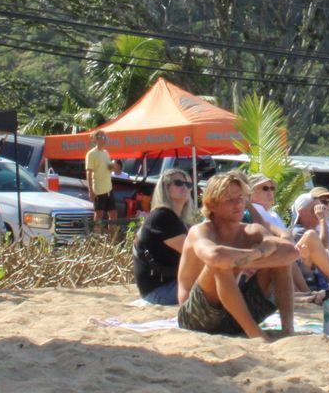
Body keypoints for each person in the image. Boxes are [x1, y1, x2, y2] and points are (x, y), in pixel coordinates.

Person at [175, 170, 298, 339]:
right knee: (220, 264)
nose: (238, 204)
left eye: (241, 198)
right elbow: (215, 256)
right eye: (230, 199)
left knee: (280, 262)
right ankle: (256, 334)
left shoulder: (251, 230)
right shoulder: (201, 231)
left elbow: (291, 252)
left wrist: (242, 262)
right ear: (212, 205)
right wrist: (258, 253)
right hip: (198, 317)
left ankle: (288, 329)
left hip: (237, 314)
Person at [133, 169, 198, 305]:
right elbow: (195, 253)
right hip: (160, 290)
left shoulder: (177, 219)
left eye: (189, 184)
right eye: (178, 183)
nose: (185, 187)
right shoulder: (162, 216)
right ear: (165, 188)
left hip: (170, 285)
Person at [85, 131, 118, 238]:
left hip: (109, 188)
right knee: (99, 215)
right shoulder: (91, 154)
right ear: (97, 139)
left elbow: (108, 168)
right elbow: (89, 172)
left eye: (106, 137)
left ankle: (112, 239)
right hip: (98, 189)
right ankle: (96, 238)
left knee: (113, 214)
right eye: (103, 137)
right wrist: (90, 191)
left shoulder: (106, 153)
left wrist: (113, 166)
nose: (105, 139)